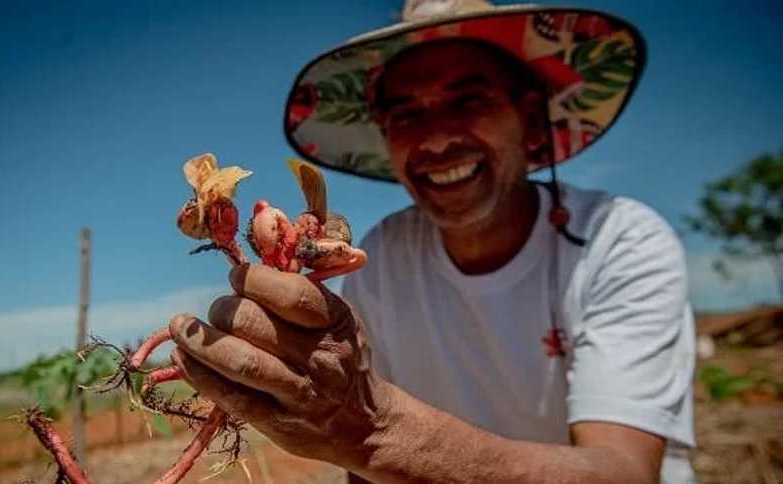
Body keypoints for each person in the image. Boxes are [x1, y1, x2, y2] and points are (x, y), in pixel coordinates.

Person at [168, 1, 697, 482]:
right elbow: (365, 472)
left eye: (469, 100)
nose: (437, 138)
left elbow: (624, 473)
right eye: (406, 114)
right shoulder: (383, 258)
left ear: (532, 123)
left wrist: (371, 431)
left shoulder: (618, 240)